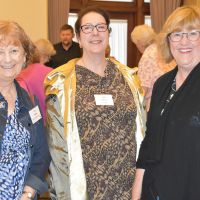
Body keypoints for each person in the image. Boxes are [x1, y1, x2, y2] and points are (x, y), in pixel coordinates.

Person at [44, 6, 146, 200]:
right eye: (87, 28)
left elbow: (143, 131)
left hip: (129, 184)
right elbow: (55, 147)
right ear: (79, 38)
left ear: (108, 33)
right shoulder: (60, 82)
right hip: (86, 186)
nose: (95, 33)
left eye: (101, 27)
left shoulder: (129, 77)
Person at [132, 5, 200, 200]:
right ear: (168, 41)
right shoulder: (162, 83)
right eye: (177, 34)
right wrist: (136, 195)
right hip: (155, 190)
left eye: (193, 33)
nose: (184, 41)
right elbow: (149, 143)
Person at [0, 20, 51, 200]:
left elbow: (41, 154)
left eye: (14, 51)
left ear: (24, 56)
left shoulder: (29, 101)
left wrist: (28, 193)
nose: (7, 59)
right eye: (0, 51)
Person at [131, 24, 176, 111]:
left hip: (156, 105)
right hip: (171, 101)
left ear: (140, 43)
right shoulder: (165, 51)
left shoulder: (147, 56)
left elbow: (143, 90)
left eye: (136, 43)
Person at [17, 38, 55, 124]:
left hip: (30, 122)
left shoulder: (21, 73)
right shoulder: (52, 73)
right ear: (44, 55)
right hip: (50, 122)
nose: (49, 59)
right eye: (48, 55)